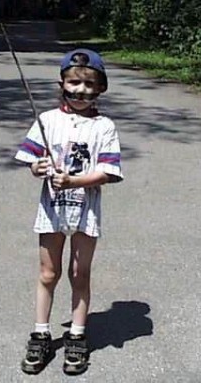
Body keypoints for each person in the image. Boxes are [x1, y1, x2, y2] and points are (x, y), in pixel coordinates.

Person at [14, 48, 123, 375]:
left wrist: (74, 180)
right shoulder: (46, 120)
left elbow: (109, 172)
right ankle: (41, 332)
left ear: (101, 88)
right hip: (52, 211)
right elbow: (30, 159)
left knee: (80, 273)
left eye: (89, 84)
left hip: (86, 212)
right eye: (74, 82)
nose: (81, 90)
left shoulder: (104, 126)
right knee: (48, 273)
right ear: (62, 82)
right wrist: (38, 166)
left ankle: (77, 335)